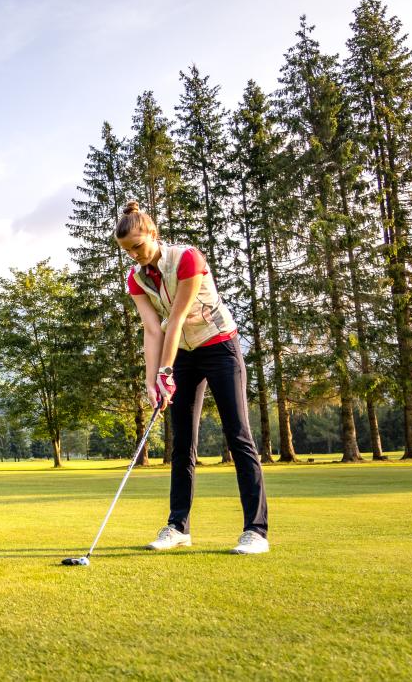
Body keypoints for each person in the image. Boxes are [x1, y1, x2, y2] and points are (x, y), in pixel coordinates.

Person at [115, 200, 269, 555]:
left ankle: (256, 531)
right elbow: (152, 330)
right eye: (127, 251)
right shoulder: (136, 279)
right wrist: (152, 381)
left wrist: (165, 371)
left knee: (238, 435)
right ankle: (178, 526)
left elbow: (178, 317)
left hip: (219, 346)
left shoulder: (187, 258)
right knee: (182, 442)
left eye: (138, 246)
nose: (135, 256)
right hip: (182, 353)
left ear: (153, 233)